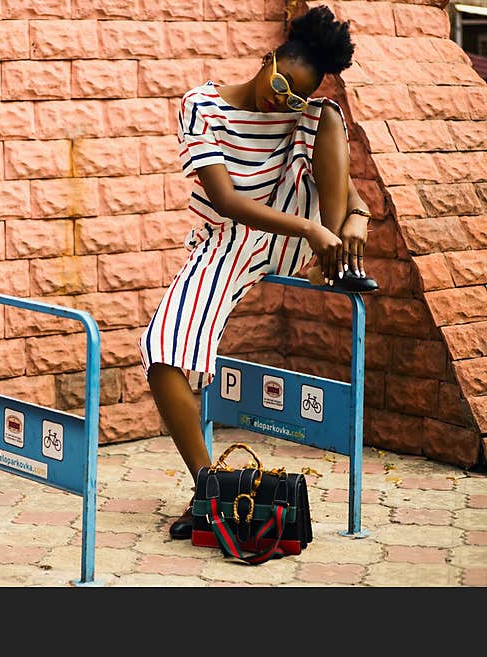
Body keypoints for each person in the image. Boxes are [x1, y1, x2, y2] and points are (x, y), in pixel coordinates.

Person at [138, 5, 378, 540]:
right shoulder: (202, 106)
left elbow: (329, 166)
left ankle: (332, 263)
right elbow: (223, 199)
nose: (283, 99)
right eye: (282, 83)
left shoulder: (305, 113)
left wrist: (350, 217)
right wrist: (311, 229)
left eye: (297, 94)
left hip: (303, 232)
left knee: (329, 117)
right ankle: (211, 490)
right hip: (230, 238)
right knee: (160, 351)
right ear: (268, 57)